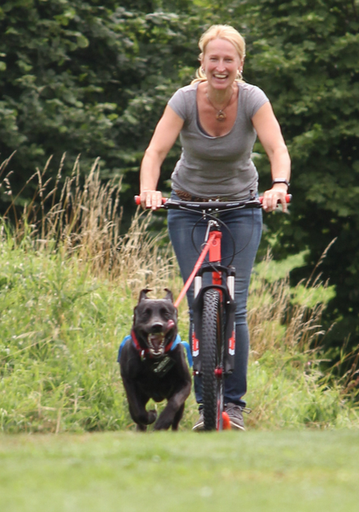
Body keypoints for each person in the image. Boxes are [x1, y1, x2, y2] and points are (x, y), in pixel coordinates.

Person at [139, 24, 291, 430]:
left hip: (242, 206)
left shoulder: (253, 100)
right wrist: (149, 190)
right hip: (188, 205)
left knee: (235, 305)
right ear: (202, 62)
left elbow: (277, 148)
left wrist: (278, 186)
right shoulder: (184, 100)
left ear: (240, 64)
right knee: (198, 301)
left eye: (228, 59)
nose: (220, 67)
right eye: (213, 59)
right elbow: (155, 151)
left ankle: (235, 406)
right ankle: (206, 405)